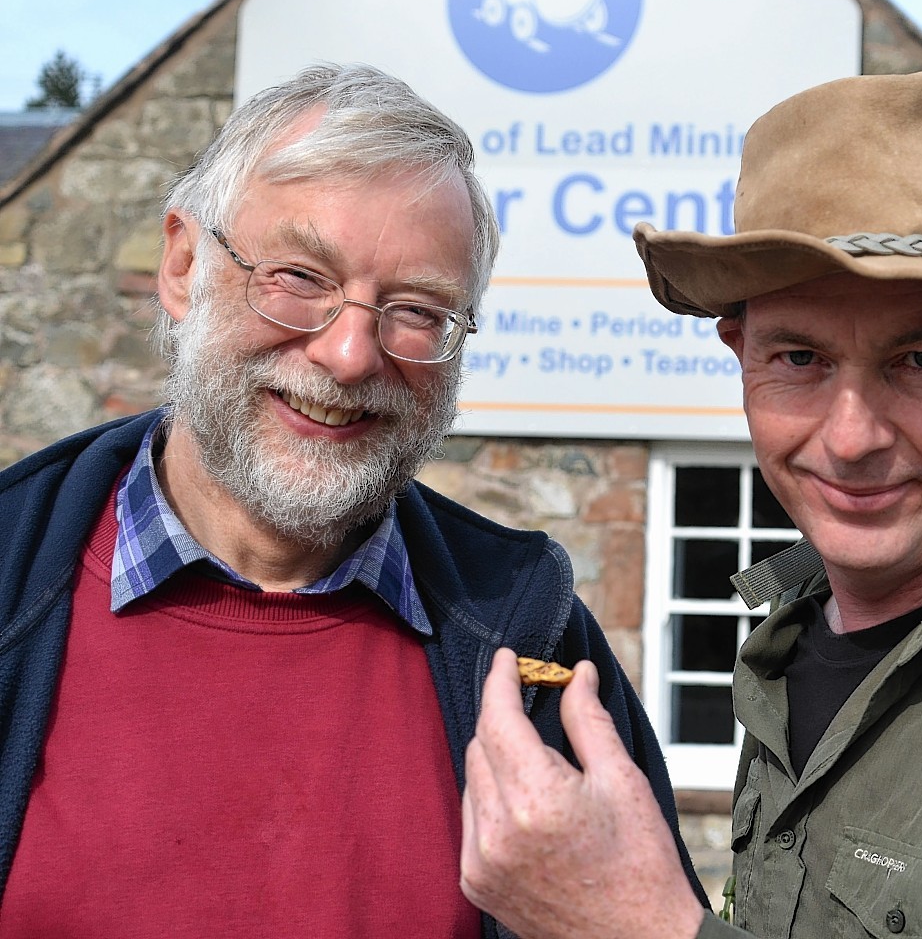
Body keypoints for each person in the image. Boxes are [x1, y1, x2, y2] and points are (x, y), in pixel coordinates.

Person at [461, 69, 922, 938]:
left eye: (921, 358)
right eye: (799, 359)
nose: (850, 438)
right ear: (740, 355)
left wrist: (638, 926)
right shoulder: (797, 629)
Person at [0, 62, 705, 937]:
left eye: (416, 309)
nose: (348, 354)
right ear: (181, 266)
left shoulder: (531, 637)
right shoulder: (13, 576)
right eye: (298, 275)